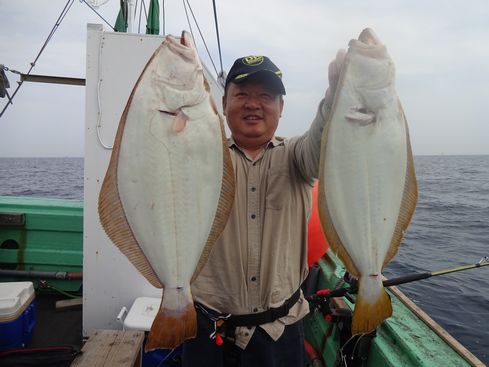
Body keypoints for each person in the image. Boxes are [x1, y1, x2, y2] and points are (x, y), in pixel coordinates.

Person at [182, 51, 345, 367]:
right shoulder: (200, 157)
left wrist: (336, 98)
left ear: (281, 107)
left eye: (265, 96)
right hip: (207, 328)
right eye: (241, 95)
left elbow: (324, 138)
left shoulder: (297, 156)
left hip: (278, 333)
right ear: (224, 105)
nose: (253, 104)